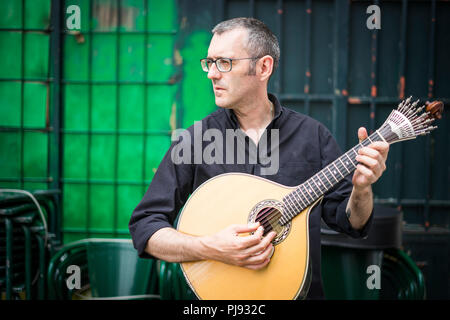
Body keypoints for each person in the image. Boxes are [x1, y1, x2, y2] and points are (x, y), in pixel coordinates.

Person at [129, 17, 389, 299]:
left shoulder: (313, 137)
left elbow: (352, 223)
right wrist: (210, 247)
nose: (212, 74)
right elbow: (145, 227)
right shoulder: (195, 140)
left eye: (224, 63)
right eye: (209, 62)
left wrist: (362, 188)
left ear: (263, 67)